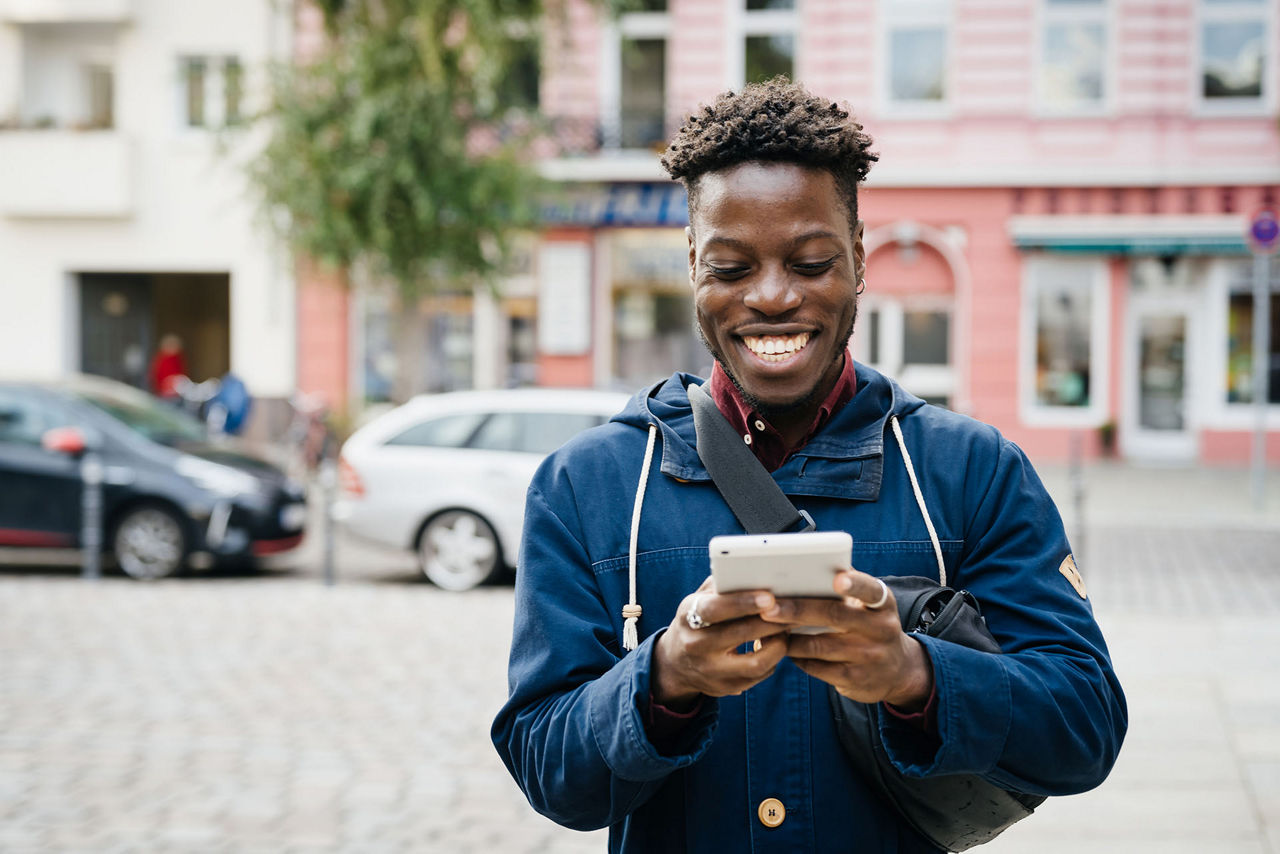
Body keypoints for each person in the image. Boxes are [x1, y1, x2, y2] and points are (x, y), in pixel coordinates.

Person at [492, 79, 1126, 853]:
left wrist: (914, 676)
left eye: (812, 260)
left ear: (859, 259)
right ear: (692, 265)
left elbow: (1086, 726)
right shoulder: (581, 488)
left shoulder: (973, 472)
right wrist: (663, 679)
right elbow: (545, 767)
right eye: (731, 267)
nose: (771, 296)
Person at [148, 334, 187, 399]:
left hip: (175, 391)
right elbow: (155, 374)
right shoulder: (161, 358)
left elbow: (181, 374)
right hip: (163, 392)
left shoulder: (177, 359)